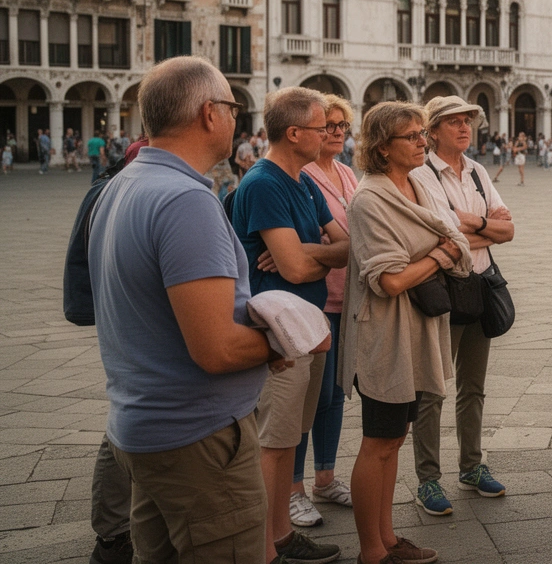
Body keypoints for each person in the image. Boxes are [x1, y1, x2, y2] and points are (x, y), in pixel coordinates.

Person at [88, 57, 306, 564]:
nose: (237, 119)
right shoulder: (185, 200)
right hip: (198, 440)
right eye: (232, 107)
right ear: (210, 113)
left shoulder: (120, 186)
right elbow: (216, 348)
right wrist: (286, 341)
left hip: (144, 428)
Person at [343, 101, 470, 564]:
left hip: (415, 329)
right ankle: (370, 551)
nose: (423, 141)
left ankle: (389, 538)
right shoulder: (370, 198)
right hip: (383, 337)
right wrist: (438, 256)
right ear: (381, 148)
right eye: (412, 136)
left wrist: (444, 248)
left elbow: (453, 235)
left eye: (422, 133)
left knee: (395, 440)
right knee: (378, 442)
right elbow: (390, 280)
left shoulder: (418, 183)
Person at [232, 87, 349, 564]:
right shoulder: (263, 182)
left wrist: (307, 255)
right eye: (323, 127)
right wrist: (309, 259)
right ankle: (265, 548)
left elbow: (347, 247)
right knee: (274, 443)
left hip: (307, 325)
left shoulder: (302, 181)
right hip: (279, 334)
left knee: (288, 440)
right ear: (295, 132)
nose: (330, 134)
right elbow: (297, 270)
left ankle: (280, 535)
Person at [410, 96, 516, 515]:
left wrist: (471, 225)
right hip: (444, 287)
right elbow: (438, 235)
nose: (463, 127)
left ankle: (471, 465)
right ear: (432, 131)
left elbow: (508, 229)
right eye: (452, 122)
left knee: (473, 385)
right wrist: (485, 228)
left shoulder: (476, 171)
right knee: (433, 387)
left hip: (481, 285)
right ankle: (428, 478)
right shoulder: (422, 174)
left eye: (467, 120)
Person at [289, 95, 360, 527]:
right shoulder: (303, 175)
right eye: (329, 125)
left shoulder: (348, 173)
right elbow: (297, 244)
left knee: (334, 395)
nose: (336, 132)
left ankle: (325, 477)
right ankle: (293, 487)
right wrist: (327, 248)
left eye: (342, 126)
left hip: (346, 296)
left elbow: (355, 234)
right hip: (316, 299)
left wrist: (332, 246)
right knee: (305, 398)